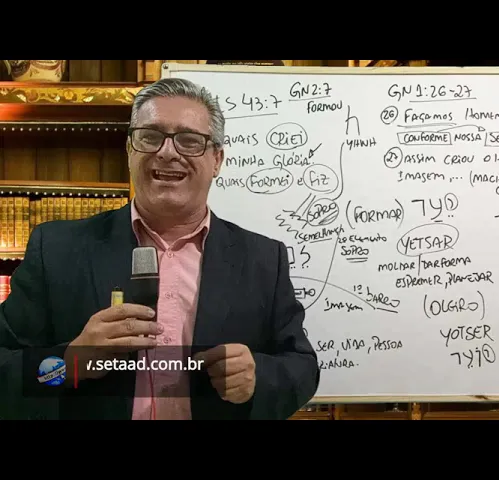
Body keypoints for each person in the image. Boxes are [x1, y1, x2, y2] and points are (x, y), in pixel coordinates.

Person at [0, 77, 320, 420]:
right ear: (129, 150)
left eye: (190, 140)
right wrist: (70, 363)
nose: (167, 152)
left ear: (217, 160)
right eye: (150, 137)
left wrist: (259, 378)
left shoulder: (263, 260)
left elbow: (301, 367)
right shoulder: (56, 251)